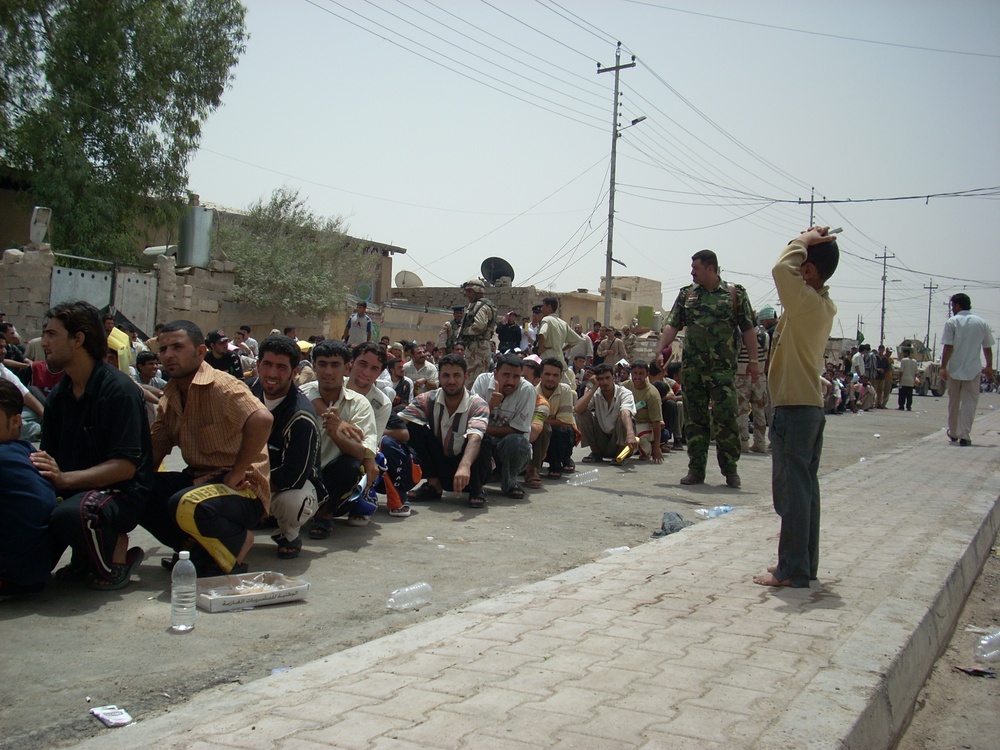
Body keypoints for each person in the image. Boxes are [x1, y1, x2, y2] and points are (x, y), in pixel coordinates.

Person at [31, 301, 152, 590]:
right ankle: (86, 557)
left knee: (75, 513)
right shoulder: (59, 398)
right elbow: (49, 457)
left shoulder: (119, 391)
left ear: (79, 339)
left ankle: (115, 560)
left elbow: (125, 467)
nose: (44, 343)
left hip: (122, 494)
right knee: (29, 561)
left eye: (51, 334)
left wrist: (64, 479)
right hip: (74, 490)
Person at [142, 320, 272, 577]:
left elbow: (262, 419)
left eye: (177, 347)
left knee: (186, 503)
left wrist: (238, 470)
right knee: (137, 492)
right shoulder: (170, 394)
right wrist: (139, 483)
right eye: (164, 348)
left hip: (242, 488)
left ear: (200, 352)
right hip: (199, 480)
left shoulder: (222, 385)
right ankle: (192, 550)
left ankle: (236, 543)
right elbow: (156, 448)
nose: (168, 355)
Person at [753, 227, 838, 589]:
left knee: (793, 493)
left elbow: (779, 270)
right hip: (805, 409)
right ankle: (802, 564)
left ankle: (792, 570)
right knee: (805, 491)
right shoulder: (817, 304)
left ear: (810, 272)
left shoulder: (806, 303)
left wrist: (802, 241)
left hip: (797, 409)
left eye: (804, 265)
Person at [657, 249, 757, 488]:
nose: (692, 272)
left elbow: (748, 329)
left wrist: (754, 362)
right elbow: (672, 325)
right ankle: (696, 470)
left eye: (696, 268)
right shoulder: (687, 295)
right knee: (695, 421)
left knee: (726, 420)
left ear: (710, 268)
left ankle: (730, 470)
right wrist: (661, 349)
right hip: (693, 371)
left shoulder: (734, 294)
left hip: (722, 371)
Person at [249, 336, 321, 559]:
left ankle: (288, 533)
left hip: (280, 486)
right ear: (258, 365)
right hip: (245, 477)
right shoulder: (246, 393)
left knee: (294, 503)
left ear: (294, 371)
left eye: (281, 367)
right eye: (267, 364)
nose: (271, 374)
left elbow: (294, 476)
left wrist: (249, 487)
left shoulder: (301, 416)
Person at [301, 340, 377, 539]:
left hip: (331, 478)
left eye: (335, 365)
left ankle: (326, 514)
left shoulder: (359, 404)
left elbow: (362, 452)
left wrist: (336, 433)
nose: (328, 371)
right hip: (301, 474)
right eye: (322, 364)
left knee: (351, 466)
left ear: (346, 367)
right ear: (314, 366)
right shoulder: (301, 395)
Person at [402, 354, 491, 508]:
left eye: (456, 375)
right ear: (439, 377)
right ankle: (433, 485)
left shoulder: (477, 404)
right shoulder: (427, 399)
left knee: (482, 438)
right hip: (441, 463)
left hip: (469, 468)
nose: (451, 381)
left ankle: (476, 489)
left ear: (466, 376)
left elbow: (475, 437)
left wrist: (464, 466)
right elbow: (399, 421)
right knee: (413, 427)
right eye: (446, 376)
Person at [0, 380, 58, 595]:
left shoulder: (4, 457)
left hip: (11, 574)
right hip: (33, 570)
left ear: (15, 421)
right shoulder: (26, 452)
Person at [471, 353, 535, 501]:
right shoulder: (482, 382)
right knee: (474, 439)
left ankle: (510, 483)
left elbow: (518, 430)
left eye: (516, 377)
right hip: (483, 444)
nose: (510, 382)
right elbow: (471, 418)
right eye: (506, 375)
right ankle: (476, 484)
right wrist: (490, 406)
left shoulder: (527, 390)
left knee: (517, 442)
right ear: (495, 374)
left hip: (508, 448)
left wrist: (483, 428)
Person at [941, 293, 994, 446]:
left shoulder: (952, 322)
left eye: (952, 306)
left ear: (957, 305)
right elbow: (987, 347)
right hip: (973, 369)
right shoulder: (981, 323)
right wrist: (989, 365)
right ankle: (965, 434)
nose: (952, 309)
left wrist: (943, 367)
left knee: (954, 402)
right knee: (969, 403)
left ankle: (953, 432)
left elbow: (948, 346)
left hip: (954, 369)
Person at [574, 363, 639, 462]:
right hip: (601, 440)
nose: (604, 382)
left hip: (620, 443)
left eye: (607, 378)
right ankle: (596, 453)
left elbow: (626, 413)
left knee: (624, 418)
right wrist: (594, 387)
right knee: (582, 414)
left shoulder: (625, 393)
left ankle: (620, 456)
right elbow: (577, 409)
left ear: (613, 378)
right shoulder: (596, 393)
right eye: (600, 379)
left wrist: (630, 434)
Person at [535, 357, 578, 477]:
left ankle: (559, 462)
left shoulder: (565, 390)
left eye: (555, 375)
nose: (550, 378)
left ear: (560, 377)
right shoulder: (532, 391)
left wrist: (541, 420)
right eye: (547, 374)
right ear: (541, 375)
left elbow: (564, 422)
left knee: (561, 431)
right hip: (539, 434)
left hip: (559, 435)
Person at [535, 297, 584, 386]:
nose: (541, 309)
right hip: (560, 359)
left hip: (547, 359)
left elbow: (542, 333)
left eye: (543, 306)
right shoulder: (562, 323)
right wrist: (562, 349)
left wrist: (540, 349)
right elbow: (576, 340)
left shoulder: (546, 320)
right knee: (564, 386)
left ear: (549, 307)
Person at [622, 360, 664, 463]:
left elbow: (656, 422)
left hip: (646, 426)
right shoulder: (624, 386)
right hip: (629, 422)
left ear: (647, 375)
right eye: (635, 373)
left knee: (639, 432)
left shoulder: (652, 394)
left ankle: (646, 450)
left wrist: (656, 447)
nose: (637, 377)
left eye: (641, 374)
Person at [458, 278, 498, 385]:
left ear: (478, 292)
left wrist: (465, 332)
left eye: (470, 291)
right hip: (478, 346)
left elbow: (479, 326)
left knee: (473, 381)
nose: (467, 294)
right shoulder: (480, 305)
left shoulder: (480, 306)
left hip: (477, 347)